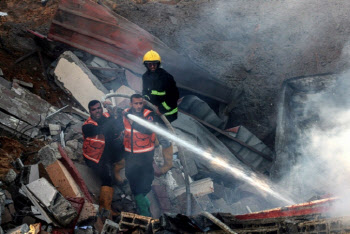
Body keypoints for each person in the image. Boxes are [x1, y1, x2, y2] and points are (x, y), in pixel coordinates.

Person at [82, 100, 124, 215]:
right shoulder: (88, 126)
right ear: (90, 112)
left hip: (105, 150)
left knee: (126, 151)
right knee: (107, 178)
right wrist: (113, 115)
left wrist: (118, 114)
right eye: (94, 109)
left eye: (99, 108)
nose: (97, 111)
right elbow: (104, 129)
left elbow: (118, 129)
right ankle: (105, 210)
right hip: (94, 158)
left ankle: (116, 170)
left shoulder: (105, 116)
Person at [142, 50, 179, 176]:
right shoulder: (145, 76)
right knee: (150, 126)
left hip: (167, 114)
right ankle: (155, 142)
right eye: (149, 64)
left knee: (164, 138)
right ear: (146, 65)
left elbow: (174, 97)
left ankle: (168, 164)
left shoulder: (167, 78)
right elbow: (145, 92)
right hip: (153, 111)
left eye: (154, 64)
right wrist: (145, 101)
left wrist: (161, 109)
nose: (152, 66)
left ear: (158, 64)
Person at [123, 94, 156, 216]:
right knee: (133, 180)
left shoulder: (148, 114)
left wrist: (133, 122)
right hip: (131, 155)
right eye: (135, 103)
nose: (138, 106)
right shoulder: (125, 112)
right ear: (131, 104)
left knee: (147, 180)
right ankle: (145, 212)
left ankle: (143, 201)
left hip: (145, 155)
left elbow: (148, 130)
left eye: (140, 103)